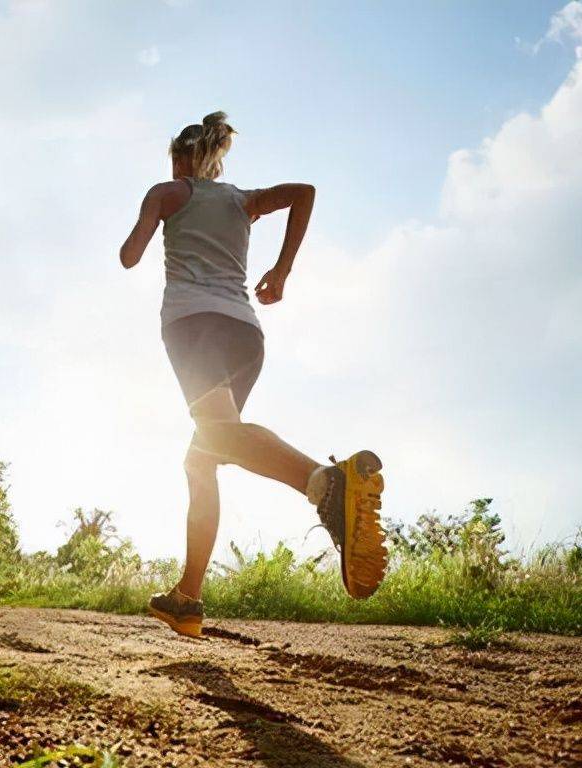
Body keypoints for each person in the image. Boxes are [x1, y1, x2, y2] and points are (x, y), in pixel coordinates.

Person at [119, 111, 387, 638]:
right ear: (216, 162)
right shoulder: (242, 199)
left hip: (193, 326)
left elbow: (130, 256)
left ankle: (325, 483)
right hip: (246, 334)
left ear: (179, 159)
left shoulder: (167, 192)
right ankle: (188, 598)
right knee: (203, 458)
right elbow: (303, 192)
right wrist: (281, 271)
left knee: (218, 438)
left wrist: (153, 216)